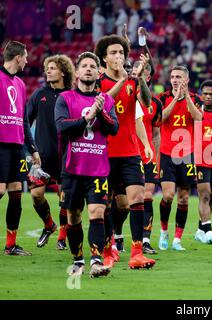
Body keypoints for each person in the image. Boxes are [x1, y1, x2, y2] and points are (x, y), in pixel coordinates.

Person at [55, 51, 118, 277]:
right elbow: (62, 127)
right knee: (73, 216)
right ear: (78, 72)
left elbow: (114, 129)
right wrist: (87, 117)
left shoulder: (107, 100)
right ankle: (78, 260)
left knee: (97, 212)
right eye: (85, 66)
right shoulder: (65, 99)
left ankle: (96, 262)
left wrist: (100, 113)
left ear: (98, 72)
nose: (89, 69)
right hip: (72, 168)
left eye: (93, 66)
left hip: (98, 169)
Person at [95, 35, 155, 269]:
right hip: (105, 152)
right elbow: (104, 103)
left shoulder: (133, 81)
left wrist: (140, 81)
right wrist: (124, 79)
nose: (118, 56)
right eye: (113, 53)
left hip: (130, 151)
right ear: (104, 57)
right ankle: (108, 250)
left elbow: (146, 104)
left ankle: (137, 253)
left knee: (137, 198)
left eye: (121, 53)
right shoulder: (99, 82)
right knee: (109, 203)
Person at [27, 54, 75, 250]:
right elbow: (25, 121)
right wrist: (29, 148)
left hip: (65, 155)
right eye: (47, 67)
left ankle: (62, 237)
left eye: (53, 68)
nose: (48, 71)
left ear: (63, 71)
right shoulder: (39, 94)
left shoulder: (71, 95)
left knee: (65, 197)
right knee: (36, 195)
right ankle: (49, 225)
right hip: (42, 156)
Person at [1, 41, 41, 256]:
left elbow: (23, 120)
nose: (27, 60)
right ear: (17, 58)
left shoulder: (21, 84)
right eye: (25, 56)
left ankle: (11, 244)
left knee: (16, 191)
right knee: (0, 190)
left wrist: (32, 148)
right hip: (0, 144)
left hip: (16, 145)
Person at [157, 66, 202, 251]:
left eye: (179, 77)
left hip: (187, 155)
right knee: (167, 196)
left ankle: (177, 239)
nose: (175, 80)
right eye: (173, 77)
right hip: (167, 152)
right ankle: (164, 231)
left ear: (187, 80)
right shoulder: (163, 98)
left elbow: (198, 118)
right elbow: (161, 118)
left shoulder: (196, 99)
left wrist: (187, 98)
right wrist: (176, 98)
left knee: (183, 198)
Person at [133, 60, 162, 254]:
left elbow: (156, 134)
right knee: (122, 201)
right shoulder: (124, 96)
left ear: (148, 76)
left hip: (148, 154)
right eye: (134, 71)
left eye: (140, 72)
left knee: (147, 195)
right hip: (127, 153)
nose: (135, 75)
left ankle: (145, 239)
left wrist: (157, 160)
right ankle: (116, 237)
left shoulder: (155, 103)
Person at [194, 80, 212, 245]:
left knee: (211, 196)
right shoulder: (197, 113)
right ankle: (209, 229)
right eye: (205, 93)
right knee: (204, 194)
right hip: (201, 160)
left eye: (211, 94)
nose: (208, 97)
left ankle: (200, 229)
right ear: (201, 94)